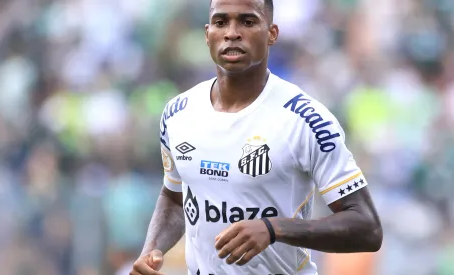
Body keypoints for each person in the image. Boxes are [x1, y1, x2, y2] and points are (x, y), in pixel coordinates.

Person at [130, 0, 383, 274]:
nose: (232, 33)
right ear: (207, 34)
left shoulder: (307, 120)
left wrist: (273, 229)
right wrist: (152, 249)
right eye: (221, 22)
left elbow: (367, 227)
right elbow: (174, 197)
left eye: (248, 22)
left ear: (272, 33)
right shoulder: (177, 114)